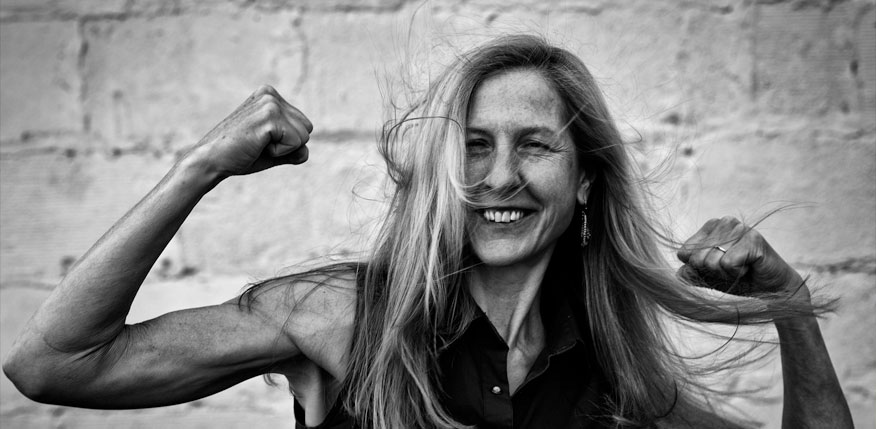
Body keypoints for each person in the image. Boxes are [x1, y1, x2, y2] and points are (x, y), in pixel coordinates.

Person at [3, 35, 853, 428]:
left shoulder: (616, 377)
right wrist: (201, 166)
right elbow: (54, 363)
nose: (498, 176)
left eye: (534, 145)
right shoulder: (341, 315)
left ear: (586, 177)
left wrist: (789, 305)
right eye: (473, 146)